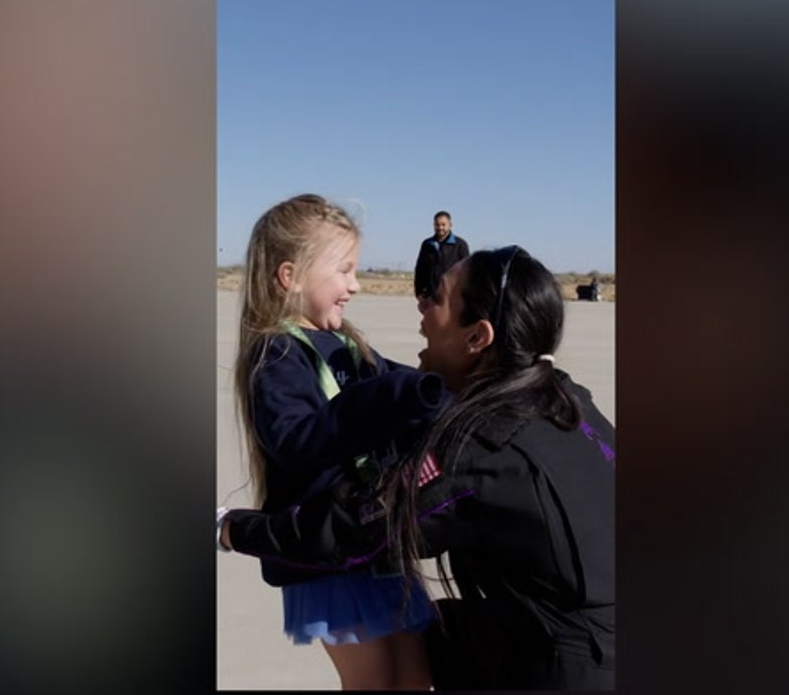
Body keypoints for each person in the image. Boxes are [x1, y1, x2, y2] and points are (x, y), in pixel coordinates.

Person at [221, 246, 617, 690]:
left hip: (576, 670)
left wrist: (235, 529)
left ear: (477, 338)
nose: (423, 305)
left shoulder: (480, 452)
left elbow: (353, 532)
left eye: (439, 298)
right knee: (425, 635)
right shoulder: (566, 398)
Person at [230, 194, 448, 690]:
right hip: (329, 552)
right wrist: (371, 405)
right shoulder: (277, 352)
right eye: (344, 270)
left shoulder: (349, 344)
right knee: (373, 682)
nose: (354, 285)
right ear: (291, 276)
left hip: (379, 541)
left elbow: (408, 392)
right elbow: (294, 440)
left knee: (415, 678)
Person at [413, 211, 470, 300]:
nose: (440, 227)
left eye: (443, 224)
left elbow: (467, 271)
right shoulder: (427, 244)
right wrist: (419, 291)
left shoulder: (460, 245)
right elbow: (420, 268)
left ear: (450, 225)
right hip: (431, 295)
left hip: (452, 296)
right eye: (437, 225)